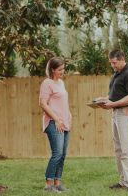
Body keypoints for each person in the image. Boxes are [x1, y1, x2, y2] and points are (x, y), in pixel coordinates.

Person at [97, 49, 128, 190]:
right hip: (116, 113)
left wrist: (112, 104)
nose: (112, 66)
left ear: (122, 59)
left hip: (125, 113)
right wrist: (103, 100)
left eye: (114, 63)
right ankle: (123, 181)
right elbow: (115, 95)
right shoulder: (117, 74)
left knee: (127, 148)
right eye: (111, 63)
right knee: (119, 149)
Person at [39, 57, 71, 193]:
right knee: (57, 153)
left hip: (64, 122)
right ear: (52, 70)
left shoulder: (61, 83)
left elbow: (62, 102)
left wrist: (68, 116)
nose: (62, 72)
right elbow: (42, 103)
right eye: (59, 69)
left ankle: (58, 183)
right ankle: (48, 184)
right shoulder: (47, 83)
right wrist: (56, 119)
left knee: (62, 154)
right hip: (53, 122)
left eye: (63, 69)